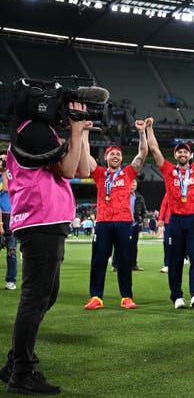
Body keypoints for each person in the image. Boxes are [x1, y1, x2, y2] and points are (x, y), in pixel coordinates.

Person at [0, 103, 90, 394]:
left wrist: (82, 134)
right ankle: (22, 373)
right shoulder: (35, 130)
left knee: (45, 296)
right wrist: (74, 129)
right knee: (35, 298)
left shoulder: (37, 130)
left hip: (45, 220)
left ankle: (15, 363)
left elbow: (83, 168)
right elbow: (66, 171)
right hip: (40, 219)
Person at [147, 115, 194, 309]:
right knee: (175, 260)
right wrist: (149, 129)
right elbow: (154, 149)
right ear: (175, 155)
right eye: (179, 151)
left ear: (189, 155)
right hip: (175, 221)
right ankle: (177, 296)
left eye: (185, 152)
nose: (182, 154)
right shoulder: (168, 170)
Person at [84, 120, 148, 310]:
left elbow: (142, 154)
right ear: (106, 158)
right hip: (103, 222)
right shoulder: (99, 173)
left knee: (125, 260)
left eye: (118, 154)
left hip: (123, 222)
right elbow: (86, 155)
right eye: (112, 153)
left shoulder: (128, 173)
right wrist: (85, 131)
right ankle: (96, 296)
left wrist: (142, 132)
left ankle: (126, 297)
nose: (116, 156)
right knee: (99, 260)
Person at [0, 158, 18, 291]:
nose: (3, 161)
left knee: (11, 251)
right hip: (1, 215)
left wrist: (5, 170)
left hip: (10, 216)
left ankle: (11, 280)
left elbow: (7, 188)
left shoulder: (12, 174)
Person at [130, 179, 146, 271]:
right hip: (123, 223)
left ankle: (133, 265)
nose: (132, 186)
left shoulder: (139, 197)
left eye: (134, 184)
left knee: (134, 246)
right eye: (131, 184)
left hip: (134, 224)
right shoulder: (122, 195)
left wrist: (141, 219)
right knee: (120, 245)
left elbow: (144, 211)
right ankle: (116, 265)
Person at [158, 195, 171, 273]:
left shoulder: (186, 189)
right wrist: (160, 219)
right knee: (167, 243)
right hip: (169, 222)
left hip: (182, 220)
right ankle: (167, 265)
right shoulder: (169, 192)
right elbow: (164, 205)